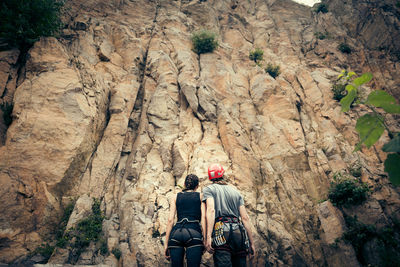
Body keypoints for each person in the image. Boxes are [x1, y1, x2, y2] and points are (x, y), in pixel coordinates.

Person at [203, 164, 256, 267]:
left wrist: (208, 237)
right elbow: (245, 218)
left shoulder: (209, 189)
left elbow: (211, 210)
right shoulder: (236, 192)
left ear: (211, 177)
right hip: (239, 233)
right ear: (222, 174)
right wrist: (251, 243)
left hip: (221, 231)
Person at [164, 174, 206, 267]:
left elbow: (170, 220)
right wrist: (205, 239)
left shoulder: (175, 197)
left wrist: (166, 244)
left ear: (184, 184)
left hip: (176, 233)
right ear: (197, 186)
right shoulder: (200, 196)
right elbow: (203, 219)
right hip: (193, 232)